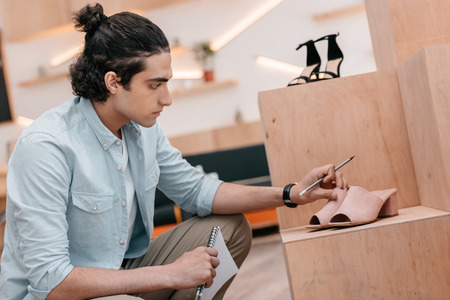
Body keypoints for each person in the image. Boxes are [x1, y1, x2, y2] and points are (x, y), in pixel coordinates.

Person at [0, 3, 348, 300]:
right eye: (155, 85)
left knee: (229, 229)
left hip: (120, 270)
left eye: (167, 83)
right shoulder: (46, 147)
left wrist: (291, 193)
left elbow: (197, 191)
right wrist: (171, 274)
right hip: (58, 293)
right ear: (113, 82)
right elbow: (51, 281)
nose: (167, 98)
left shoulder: (142, 131)